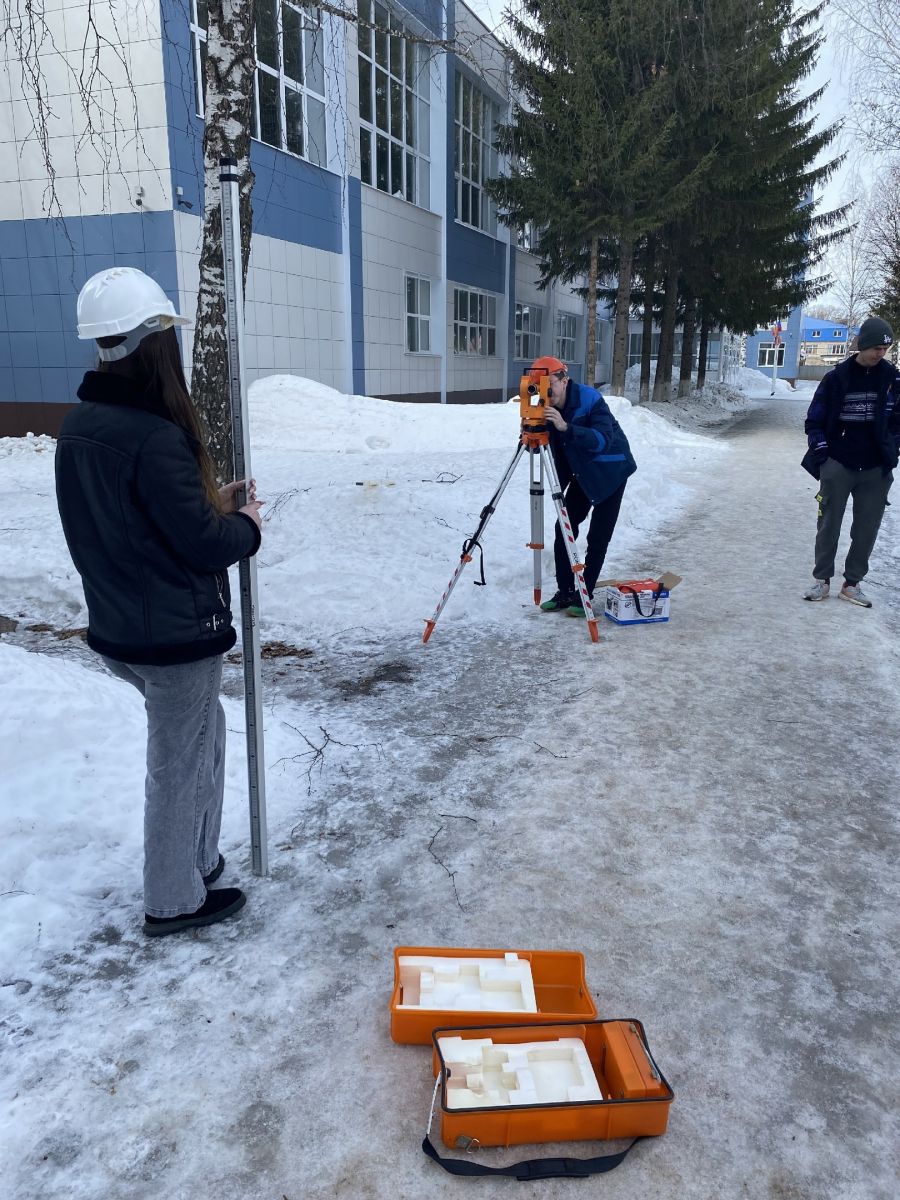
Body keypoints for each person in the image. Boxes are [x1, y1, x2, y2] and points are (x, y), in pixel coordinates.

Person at [55, 267, 264, 936]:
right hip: (173, 637)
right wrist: (244, 526)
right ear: (155, 344)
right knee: (178, 766)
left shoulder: (82, 426)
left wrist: (207, 505)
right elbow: (205, 546)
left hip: (123, 627)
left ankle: (196, 861)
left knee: (205, 739)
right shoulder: (153, 435)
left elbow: (132, 522)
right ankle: (173, 900)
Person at [801, 316, 900, 607]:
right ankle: (822, 580)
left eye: (885, 348)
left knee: (866, 529)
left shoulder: (893, 380)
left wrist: (892, 449)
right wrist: (823, 454)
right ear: (863, 345)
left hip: (875, 468)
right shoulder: (836, 378)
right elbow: (814, 420)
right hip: (838, 464)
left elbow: (898, 421)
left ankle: (852, 583)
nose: (881, 353)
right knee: (828, 525)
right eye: (876, 348)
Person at [532, 355, 637, 615]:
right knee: (564, 527)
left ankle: (584, 595)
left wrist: (566, 427)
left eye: (549, 384)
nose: (545, 391)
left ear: (564, 381)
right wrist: (535, 436)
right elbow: (558, 453)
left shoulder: (590, 399)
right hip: (582, 473)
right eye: (538, 385)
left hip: (610, 471)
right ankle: (565, 591)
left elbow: (602, 439)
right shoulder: (545, 408)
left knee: (598, 536)